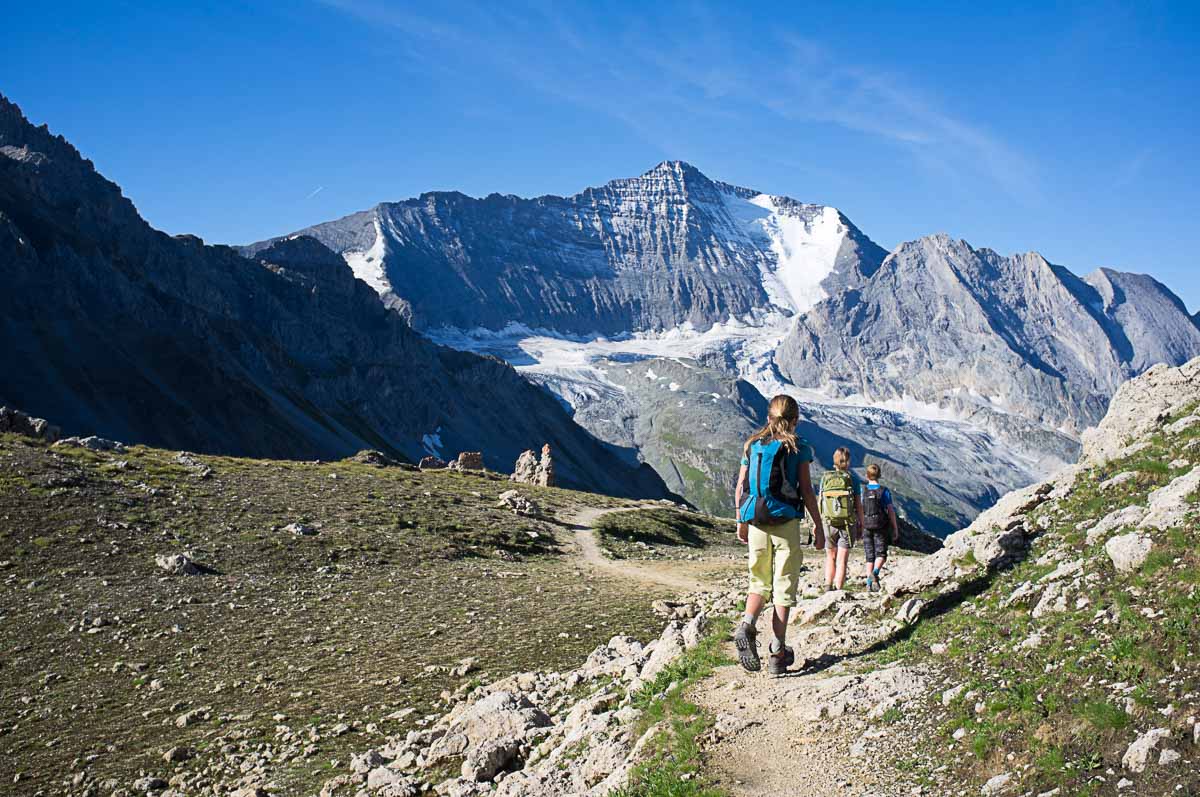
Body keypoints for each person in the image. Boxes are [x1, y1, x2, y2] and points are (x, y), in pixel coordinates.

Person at [732, 395, 824, 676]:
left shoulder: (752, 445)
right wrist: (818, 526)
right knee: (783, 587)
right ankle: (777, 653)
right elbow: (807, 491)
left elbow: (740, 487)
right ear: (795, 420)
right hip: (785, 522)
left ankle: (747, 624)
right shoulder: (800, 448)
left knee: (758, 582)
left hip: (756, 519)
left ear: (768, 417)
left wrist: (740, 520)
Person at [818, 447, 863, 591]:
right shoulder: (852, 479)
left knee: (830, 556)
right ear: (848, 461)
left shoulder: (825, 478)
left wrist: (817, 523)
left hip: (828, 522)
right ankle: (838, 591)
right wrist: (861, 523)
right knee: (842, 560)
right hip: (847, 523)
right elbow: (858, 505)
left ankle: (827, 585)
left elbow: (820, 502)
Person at [861, 462, 900, 592]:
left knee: (869, 555)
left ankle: (868, 583)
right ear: (879, 475)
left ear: (867, 476)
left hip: (866, 525)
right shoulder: (884, 491)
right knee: (881, 553)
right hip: (880, 525)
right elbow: (890, 510)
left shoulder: (863, 490)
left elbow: (859, 508)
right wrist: (895, 528)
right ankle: (875, 573)